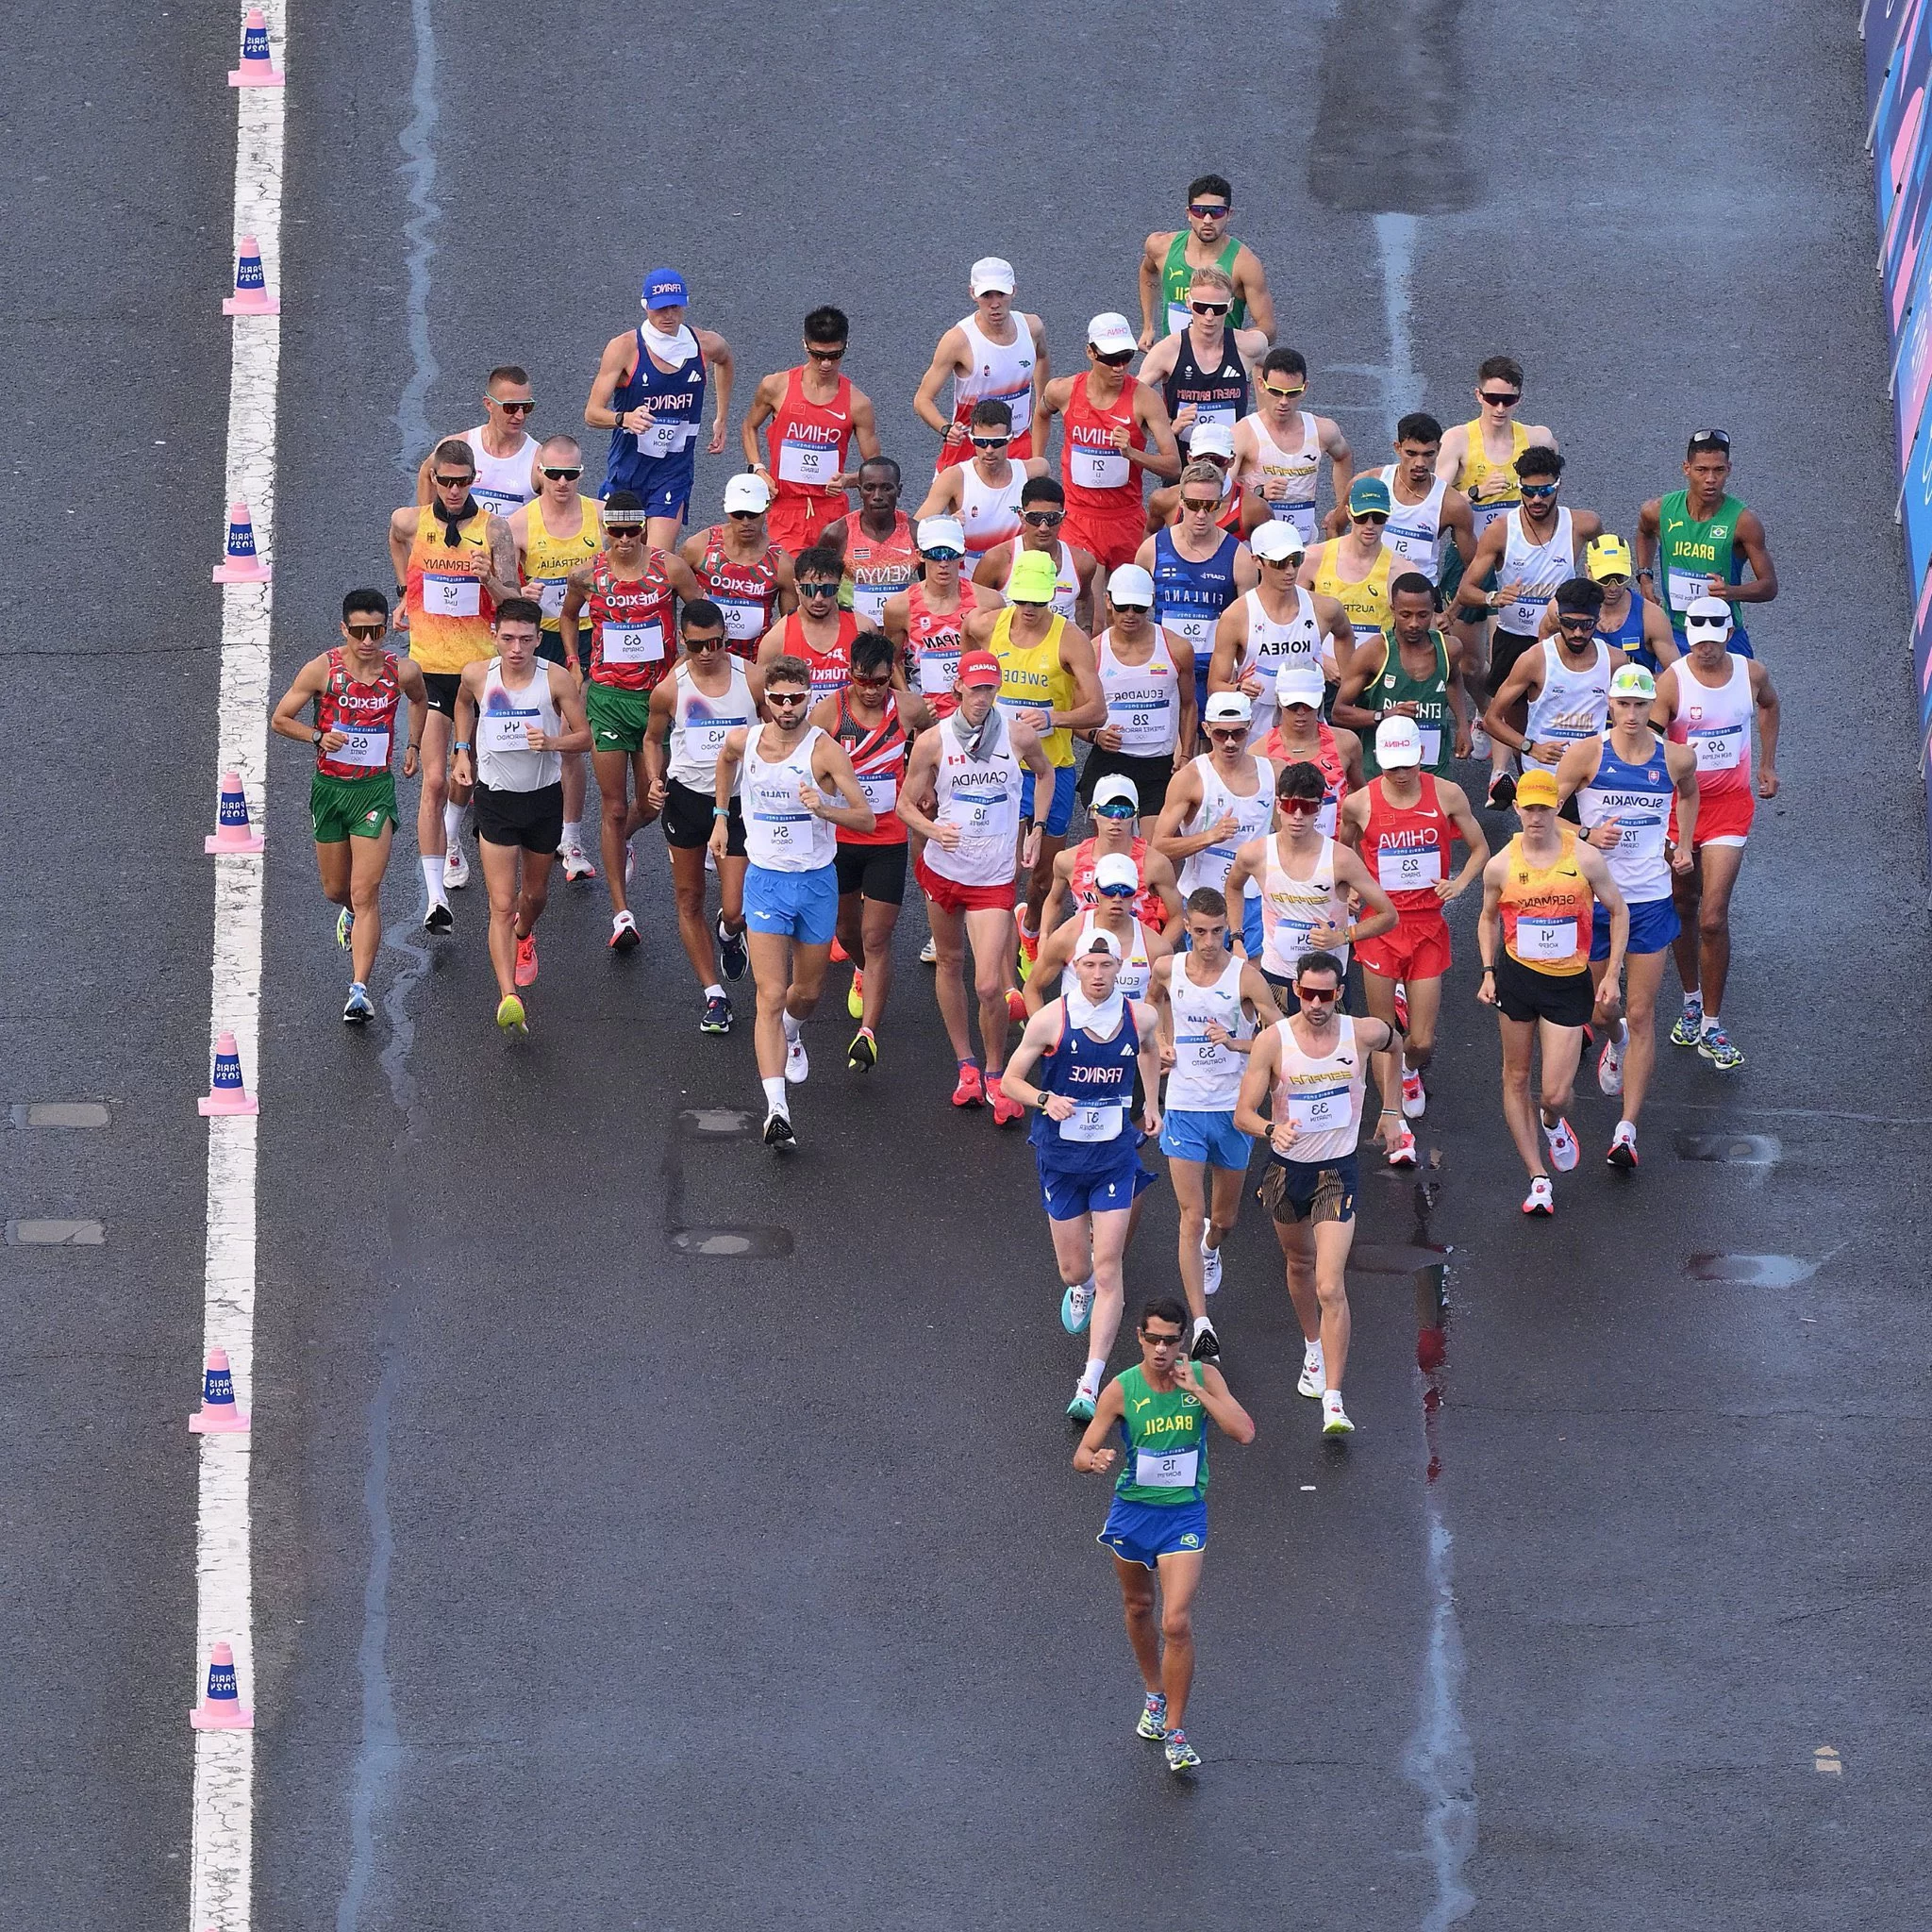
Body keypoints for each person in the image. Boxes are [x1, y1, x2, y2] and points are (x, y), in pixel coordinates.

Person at [1073, 1296, 1257, 1776]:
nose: (1160, 1349)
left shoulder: (1203, 1377)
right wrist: (1093, 1461)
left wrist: (1199, 1391)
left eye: (1171, 1341)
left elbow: (1244, 1432)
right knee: (1139, 1608)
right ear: (1139, 1337)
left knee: (1175, 1622)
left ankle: (1176, 1731)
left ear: (1182, 1343)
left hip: (1183, 1517)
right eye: (1152, 1339)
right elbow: (1083, 1450)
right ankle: (1154, 1695)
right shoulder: (1121, 1389)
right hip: (1133, 1513)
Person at [711, 655, 876, 1148]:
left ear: (809, 697)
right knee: (769, 993)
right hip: (765, 881)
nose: (786, 707)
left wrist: (823, 807)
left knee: (804, 994)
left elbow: (866, 820)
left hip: (816, 883)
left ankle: (793, 1032)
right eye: (778, 698)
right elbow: (725, 760)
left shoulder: (825, 753)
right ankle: (776, 1108)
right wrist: (722, 816)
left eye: (796, 699)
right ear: (766, 699)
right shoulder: (746, 741)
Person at [1000, 930, 1165, 1420]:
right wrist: (1045, 1100)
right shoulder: (1052, 1019)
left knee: (1110, 1265)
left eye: (1106, 966)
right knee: (1077, 1270)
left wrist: (1152, 1103)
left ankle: (1089, 1384)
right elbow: (1010, 1080)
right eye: (1088, 966)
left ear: (1119, 968)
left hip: (1114, 1155)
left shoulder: (1141, 1016)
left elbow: (1151, 1050)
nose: (1097, 975)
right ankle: (1082, 1286)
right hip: (1061, 1159)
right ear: (1076, 968)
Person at [1235, 950, 1398, 1437]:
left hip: (1336, 1171)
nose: (1316, 1003)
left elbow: (1397, 1043)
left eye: (1326, 995)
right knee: (1300, 1265)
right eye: (1307, 993)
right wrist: (1270, 1129)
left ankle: (1333, 1399)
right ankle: (1312, 1349)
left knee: (1330, 1283)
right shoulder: (1273, 1041)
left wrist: (1392, 1109)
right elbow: (1243, 1113)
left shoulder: (1361, 1032)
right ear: (1296, 991)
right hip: (1287, 1170)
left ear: (1339, 994)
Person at [897, 648, 1054, 1119]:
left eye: (991, 688)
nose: (983, 697)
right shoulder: (932, 741)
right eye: (976, 687)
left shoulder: (1019, 735)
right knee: (949, 961)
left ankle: (995, 1070)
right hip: (946, 869)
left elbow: (1045, 777)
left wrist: (1037, 828)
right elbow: (905, 805)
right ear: (959, 688)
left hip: (994, 876)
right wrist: (932, 831)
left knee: (988, 985)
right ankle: (966, 1064)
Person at [1556, 663, 1700, 1166]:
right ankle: (1611, 1041)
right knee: (1603, 1009)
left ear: (1650, 707)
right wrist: (1587, 836)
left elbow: (1688, 794)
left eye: (1642, 705)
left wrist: (1682, 844)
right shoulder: (1586, 755)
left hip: (1650, 900)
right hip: (1595, 901)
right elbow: (1541, 817)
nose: (1633, 714)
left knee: (1641, 1012)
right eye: (1625, 704)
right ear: (1610, 706)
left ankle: (1626, 1130)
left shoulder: (1676, 758)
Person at [270, 590, 428, 1023]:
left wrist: (412, 743)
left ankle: (359, 990)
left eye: (376, 630)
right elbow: (280, 719)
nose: (368, 640)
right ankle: (349, 915)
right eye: (359, 631)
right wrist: (318, 737)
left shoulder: (402, 670)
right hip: (330, 790)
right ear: (345, 629)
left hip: (374, 791)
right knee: (337, 891)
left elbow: (420, 700)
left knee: (367, 892)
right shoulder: (322, 670)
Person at [1475, 769, 1628, 1214]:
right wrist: (1488, 972)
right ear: (1518, 809)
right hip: (1517, 978)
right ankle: (1537, 1177)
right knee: (1516, 1076)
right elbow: (1486, 918)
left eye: (1546, 807)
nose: (1537, 816)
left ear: (1557, 808)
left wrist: (1612, 973)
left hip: (1567, 980)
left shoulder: (1584, 858)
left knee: (1555, 1094)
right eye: (1530, 808)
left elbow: (1618, 912)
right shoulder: (1501, 864)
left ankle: (1553, 1122)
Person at [1338, 719, 1488, 1165]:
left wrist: (1460, 883)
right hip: (1380, 926)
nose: (1400, 774)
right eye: (1390, 767)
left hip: (1427, 925)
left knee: (1420, 1040)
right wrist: (1346, 895)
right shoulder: (1358, 804)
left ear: (1419, 757)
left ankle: (1409, 1069)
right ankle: (1396, 1123)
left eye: (1406, 765)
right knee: (1385, 1032)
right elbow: (1342, 856)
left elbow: (1480, 847)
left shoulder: (1447, 794)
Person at [559, 491, 704, 950]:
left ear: (643, 529)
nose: (623, 540)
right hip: (606, 699)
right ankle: (621, 914)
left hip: (655, 700)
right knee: (614, 805)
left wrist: (686, 663)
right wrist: (573, 660)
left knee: (652, 803)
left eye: (631, 531)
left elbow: (699, 616)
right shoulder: (587, 576)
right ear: (606, 532)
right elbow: (566, 617)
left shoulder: (670, 568)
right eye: (614, 532)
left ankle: (617, 843)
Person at [387, 438, 521, 931]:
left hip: (480, 670)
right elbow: (395, 537)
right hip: (430, 667)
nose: (454, 490)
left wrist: (490, 582)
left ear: (473, 481)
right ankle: (434, 897)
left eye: (463, 482)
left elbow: (512, 605)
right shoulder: (413, 520)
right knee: (436, 778)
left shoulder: (496, 530)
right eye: (446, 481)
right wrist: (405, 592)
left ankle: (454, 834)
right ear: (435, 479)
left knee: (474, 773)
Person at [449, 599, 591, 1033]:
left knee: (533, 897)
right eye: (508, 638)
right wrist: (461, 750)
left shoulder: (556, 679)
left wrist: (552, 743)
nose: (516, 648)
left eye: (526, 640)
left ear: (538, 639)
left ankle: (525, 935)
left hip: (543, 799)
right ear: (495, 635)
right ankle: (508, 994)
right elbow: (462, 705)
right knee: (501, 903)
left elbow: (584, 737)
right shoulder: (477, 674)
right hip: (495, 801)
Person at [1653, 598, 1780, 1071]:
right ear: (1688, 635)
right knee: (1682, 904)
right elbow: (1648, 744)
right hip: (1676, 812)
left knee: (1711, 916)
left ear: (1728, 633)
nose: (1704, 650)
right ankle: (1690, 999)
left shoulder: (1751, 674)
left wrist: (1765, 764)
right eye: (1697, 640)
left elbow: (1769, 706)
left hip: (1729, 808)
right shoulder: (1673, 683)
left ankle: (1712, 1023)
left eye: (1714, 640)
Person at [965, 550, 1106, 971]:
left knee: (1043, 874)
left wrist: (1053, 717)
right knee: (1003, 868)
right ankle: (1003, 963)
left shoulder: (1069, 639)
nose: (1027, 610)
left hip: (1052, 769)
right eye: (1021, 600)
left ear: (1050, 598)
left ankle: (1028, 928)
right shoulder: (988, 625)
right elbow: (967, 648)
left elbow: (1097, 711)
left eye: (1036, 602)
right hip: (999, 769)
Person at [1153, 890, 1276, 1356]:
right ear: (1187, 926)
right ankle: (1201, 1322)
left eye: (1217, 931)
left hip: (1232, 1110)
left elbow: (1279, 1035)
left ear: (1228, 926)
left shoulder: (1245, 977)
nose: (1208, 941)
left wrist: (1236, 1044)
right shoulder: (1170, 968)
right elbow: (1153, 1001)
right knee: (1190, 1215)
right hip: (1184, 1106)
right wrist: (1164, 1040)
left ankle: (1212, 1248)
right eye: (1200, 931)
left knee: (1222, 1220)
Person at [1454, 448, 1601, 807]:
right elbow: (1466, 590)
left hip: (1566, 641)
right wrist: (1493, 599)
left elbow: (1606, 574)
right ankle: (1514, 780)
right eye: (1529, 491)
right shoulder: (1502, 531)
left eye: (1545, 492)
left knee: (1567, 714)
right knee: (1512, 719)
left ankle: (1572, 783)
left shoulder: (1583, 525)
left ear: (1558, 487)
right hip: (1515, 640)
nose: (1536, 499)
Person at [811, 631, 931, 1070]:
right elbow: (806, 761)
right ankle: (861, 971)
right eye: (861, 679)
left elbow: (933, 742)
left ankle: (868, 1035)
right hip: (841, 840)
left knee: (877, 937)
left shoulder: (909, 708)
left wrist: (925, 783)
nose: (869, 689)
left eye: (879, 681)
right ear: (850, 674)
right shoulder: (830, 712)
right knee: (846, 933)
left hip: (887, 840)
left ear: (890, 677)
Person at [643, 599, 761, 1036]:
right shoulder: (670, 689)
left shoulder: (751, 680)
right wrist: (655, 778)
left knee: (735, 907)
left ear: (725, 639)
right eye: (696, 646)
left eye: (715, 643)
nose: (707, 653)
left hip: (738, 802)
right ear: (684, 642)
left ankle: (730, 933)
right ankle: (714, 994)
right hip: (687, 800)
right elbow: (652, 739)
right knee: (689, 897)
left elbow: (776, 733)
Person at [1434, 357, 1557, 739]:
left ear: (1519, 399)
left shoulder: (1537, 439)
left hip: (1522, 560)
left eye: (1509, 400)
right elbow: (1433, 503)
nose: (1500, 408)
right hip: (1472, 557)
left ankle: (1507, 728)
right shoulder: (1458, 440)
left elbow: (1554, 490)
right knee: (1471, 664)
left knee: (1519, 653)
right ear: (1478, 396)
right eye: (1492, 399)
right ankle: (1489, 715)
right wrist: (1472, 494)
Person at [1225, 759, 1396, 1008]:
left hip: (1326, 980)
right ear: (1278, 806)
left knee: (1329, 1046)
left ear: (1319, 810)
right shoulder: (1255, 854)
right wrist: (1237, 938)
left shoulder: (1341, 859)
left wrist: (1343, 936)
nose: (1297, 815)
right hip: (1278, 976)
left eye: (1306, 807)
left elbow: (1389, 915)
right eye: (1290, 805)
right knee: (1277, 1045)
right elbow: (1233, 887)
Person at [583, 268, 733, 551]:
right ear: (646, 306)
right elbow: (591, 413)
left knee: (657, 561)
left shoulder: (704, 344)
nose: (668, 316)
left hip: (673, 470)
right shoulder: (625, 348)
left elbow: (725, 360)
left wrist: (721, 417)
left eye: (675, 307)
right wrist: (624, 418)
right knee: (624, 555)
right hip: (628, 470)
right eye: (660, 308)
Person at [508, 434, 601, 879]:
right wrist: (520, 591)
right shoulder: (519, 524)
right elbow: (500, 590)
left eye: (571, 474)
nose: (562, 482)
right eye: (553, 474)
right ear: (540, 472)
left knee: (569, 739)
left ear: (581, 474)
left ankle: (572, 836)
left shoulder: (599, 517)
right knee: (531, 732)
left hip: (588, 637)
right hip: (538, 639)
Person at [1039, 314, 1181, 573]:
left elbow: (1174, 467)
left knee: (1126, 607)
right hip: (1077, 518)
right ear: (1090, 353)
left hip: (1125, 521)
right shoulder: (1063, 390)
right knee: (1087, 607)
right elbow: (1041, 414)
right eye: (1111, 359)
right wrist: (1037, 462)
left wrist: (1133, 454)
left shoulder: (1145, 400)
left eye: (1126, 357)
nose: (1120, 367)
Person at [741, 306, 881, 557]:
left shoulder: (858, 403)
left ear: (846, 347)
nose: (826, 363)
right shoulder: (776, 386)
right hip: (784, 507)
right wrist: (758, 469)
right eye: (818, 355)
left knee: (829, 589)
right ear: (805, 345)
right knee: (789, 588)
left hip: (831, 511)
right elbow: (749, 426)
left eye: (835, 355)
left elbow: (876, 469)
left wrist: (848, 480)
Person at [1154, 691, 1276, 959]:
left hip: (1252, 897)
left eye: (1238, 733)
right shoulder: (1191, 778)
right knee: (1206, 978)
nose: (1230, 742)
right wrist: (1209, 836)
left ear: (1251, 726)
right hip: (1203, 898)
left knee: (1251, 977)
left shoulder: (1272, 772)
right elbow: (1159, 846)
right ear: (1207, 730)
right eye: (1221, 734)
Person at [1636, 430, 1779, 658]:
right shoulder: (1659, 511)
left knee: (1745, 691)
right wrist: (1645, 577)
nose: (1710, 479)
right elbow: (1645, 532)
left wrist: (1731, 591)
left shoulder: (1743, 522)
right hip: (1675, 634)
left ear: (1728, 469)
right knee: (1669, 693)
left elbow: (1769, 586)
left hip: (1724, 634)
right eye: (1701, 470)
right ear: (1686, 468)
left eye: (1718, 470)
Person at [1208, 522, 1353, 745]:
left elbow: (1345, 635)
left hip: (1310, 732)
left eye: (1296, 561)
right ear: (1257, 561)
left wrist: (1346, 684)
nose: (1290, 570)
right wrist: (1238, 688)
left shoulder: (1324, 608)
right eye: (1279, 563)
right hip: (1258, 734)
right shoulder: (1237, 616)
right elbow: (1215, 685)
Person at [1136, 461, 1257, 724]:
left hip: (1214, 674)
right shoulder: (1151, 550)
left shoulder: (1238, 557)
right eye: (1193, 505)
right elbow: (1132, 613)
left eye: (1210, 506)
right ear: (1180, 501)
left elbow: (1251, 624)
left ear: (1220, 504)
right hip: (1164, 671)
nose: (1201, 514)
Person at [1075, 565, 1196, 820]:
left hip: (1158, 765)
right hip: (1111, 763)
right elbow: (1078, 714)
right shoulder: (1093, 651)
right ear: (1108, 601)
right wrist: (1097, 736)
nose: (1130, 615)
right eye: (1122, 607)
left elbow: (1188, 704)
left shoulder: (1178, 648)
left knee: (1155, 851)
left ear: (1151, 603)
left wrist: (1185, 754)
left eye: (1139, 608)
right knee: (1111, 848)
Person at [912, 257, 1050, 466]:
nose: (995, 304)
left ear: (1014, 290)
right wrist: (946, 429)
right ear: (972, 294)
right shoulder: (958, 340)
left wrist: (1042, 405)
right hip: (971, 448)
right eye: (986, 295)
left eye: (1001, 294)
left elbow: (1042, 357)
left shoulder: (1032, 328)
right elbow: (922, 399)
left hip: (1018, 443)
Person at [1483, 575, 1623, 783]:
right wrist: (1530, 748)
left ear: (1598, 619)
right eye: (1569, 623)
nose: (1577, 633)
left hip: (1591, 777)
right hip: (1542, 776)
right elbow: (1491, 719)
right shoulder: (1536, 659)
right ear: (1558, 617)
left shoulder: (1615, 661)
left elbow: (1632, 715)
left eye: (1586, 625)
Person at [1332, 571, 1470, 779]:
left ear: (1433, 611)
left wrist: (1463, 725)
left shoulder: (1449, 648)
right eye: (1405, 615)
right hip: (1382, 774)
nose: (1414, 623)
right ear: (1393, 610)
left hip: (1433, 769)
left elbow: (1453, 679)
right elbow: (1339, 713)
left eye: (1423, 615)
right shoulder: (1374, 653)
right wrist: (1384, 715)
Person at [1135, 265, 1267, 459]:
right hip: (1182, 464)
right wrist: (1168, 426)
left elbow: (1276, 374)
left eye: (1218, 309)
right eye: (1201, 307)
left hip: (1231, 463)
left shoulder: (1249, 346)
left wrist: (1262, 425)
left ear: (1230, 306)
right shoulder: (1167, 351)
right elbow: (1132, 401)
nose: (1209, 317)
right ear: (1188, 302)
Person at [1039, 774, 1186, 943]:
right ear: (1094, 812)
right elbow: (1054, 901)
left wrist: (1156, 954)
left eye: (1124, 812)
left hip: (1136, 956)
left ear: (1134, 815)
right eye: (1108, 811)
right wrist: (1044, 938)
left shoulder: (1155, 863)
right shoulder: (1067, 860)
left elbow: (1177, 916)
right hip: (1087, 958)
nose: (1116, 819)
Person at [881, 516, 1003, 720]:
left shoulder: (989, 601)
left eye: (950, 554)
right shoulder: (899, 607)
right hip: (928, 714)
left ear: (962, 555)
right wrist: (911, 700)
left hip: (977, 711)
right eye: (936, 555)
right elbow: (891, 661)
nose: (943, 563)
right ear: (920, 555)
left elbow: (1002, 658)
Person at [1027, 850, 1174, 1015]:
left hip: (1130, 1039)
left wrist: (1160, 1040)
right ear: (1095, 889)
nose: (1117, 898)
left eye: (1126, 891)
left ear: (1135, 893)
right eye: (1110, 890)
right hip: (1076, 1038)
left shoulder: (1157, 947)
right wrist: (1044, 1036)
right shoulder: (1068, 936)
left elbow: (1166, 1002)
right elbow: (1032, 989)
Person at [1137, 174, 1276, 343]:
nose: (1208, 220)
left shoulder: (1245, 264)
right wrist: (1148, 326)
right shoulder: (1160, 247)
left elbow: (1268, 329)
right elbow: (1148, 271)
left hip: (1220, 366)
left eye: (1216, 212)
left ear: (1229, 214)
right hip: (1173, 363)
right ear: (1189, 213)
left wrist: (1235, 347)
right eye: (1199, 211)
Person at [1232, 347, 1352, 543]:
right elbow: (1221, 493)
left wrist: (1340, 509)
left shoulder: (1322, 430)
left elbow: (1343, 457)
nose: (1283, 402)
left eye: (1292, 393)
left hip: (1303, 544)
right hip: (1256, 549)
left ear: (1304, 388)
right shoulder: (1243, 433)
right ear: (1261, 385)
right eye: (1276, 392)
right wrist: (1259, 493)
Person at [915, 399, 1049, 563]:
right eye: (981, 442)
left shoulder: (1034, 471)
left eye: (997, 443)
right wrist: (947, 525)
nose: (989, 450)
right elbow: (916, 530)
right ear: (971, 439)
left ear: (1011, 438)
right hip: (970, 583)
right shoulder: (954, 478)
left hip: (1014, 580)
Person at [682, 474, 796, 658]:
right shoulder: (698, 547)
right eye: (738, 514)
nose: (745, 522)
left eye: (753, 514)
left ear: (768, 508)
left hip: (755, 662)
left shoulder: (782, 563)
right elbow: (668, 595)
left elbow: (790, 625)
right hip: (703, 657)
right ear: (726, 508)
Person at [1298, 475, 1400, 674]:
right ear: (1349, 513)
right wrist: (1322, 661)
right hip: (1324, 673)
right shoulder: (1313, 558)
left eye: (1378, 518)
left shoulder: (1401, 569)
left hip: (1377, 675)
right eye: (1362, 517)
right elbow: (1289, 619)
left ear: (1388, 516)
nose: (1370, 525)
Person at [415, 365, 541, 520]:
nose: (520, 415)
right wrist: (428, 527)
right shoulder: (461, 445)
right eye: (511, 407)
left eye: (527, 406)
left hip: (511, 542)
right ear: (489, 404)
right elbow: (427, 474)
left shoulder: (538, 459)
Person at [1542, 534, 1677, 675]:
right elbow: (1545, 634)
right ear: (1588, 571)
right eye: (1605, 578)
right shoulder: (1561, 607)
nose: (1613, 587)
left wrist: (1642, 684)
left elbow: (1675, 675)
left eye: (1620, 578)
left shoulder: (1652, 617)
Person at [1253, 665, 1363, 834]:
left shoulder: (1347, 743)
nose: (1300, 712)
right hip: (1285, 853)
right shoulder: (1259, 753)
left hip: (1336, 850)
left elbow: (1361, 796)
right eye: (1293, 705)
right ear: (1279, 701)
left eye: (1308, 705)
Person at [973, 475, 1096, 621]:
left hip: (1062, 642)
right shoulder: (997, 560)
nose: (1043, 527)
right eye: (1035, 518)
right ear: (1021, 516)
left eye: (1051, 518)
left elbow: (1083, 601)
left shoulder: (1082, 563)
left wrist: (1085, 632)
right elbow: (974, 612)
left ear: (1063, 517)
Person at [758, 544, 865, 708]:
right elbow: (763, 698)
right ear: (796, 586)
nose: (818, 599)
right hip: (799, 730)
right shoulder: (776, 639)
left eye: (827, 589)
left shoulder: (862, 628)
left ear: (839, 586)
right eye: (810, 589)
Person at [1376, 413, 1475, 588]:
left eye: (1428, 454)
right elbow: (1334, 528)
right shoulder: (1374, 483)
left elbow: (1474, 567)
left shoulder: (1452, 504)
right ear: (1397, 448)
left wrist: (1452, 613)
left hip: (1422, 598)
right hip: (1373, 591)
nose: (1420, 463)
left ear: (1439, 449)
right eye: (1411, 453)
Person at [821, 458, 919, 628]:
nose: (877, 496)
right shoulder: (837, 533)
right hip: (853, 632)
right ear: (859, 491)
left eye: (886, 488)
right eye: (869, 488)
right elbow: (818, 588)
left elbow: (931, 589)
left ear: (899, 490)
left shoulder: (916, 533)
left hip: (903, 631)